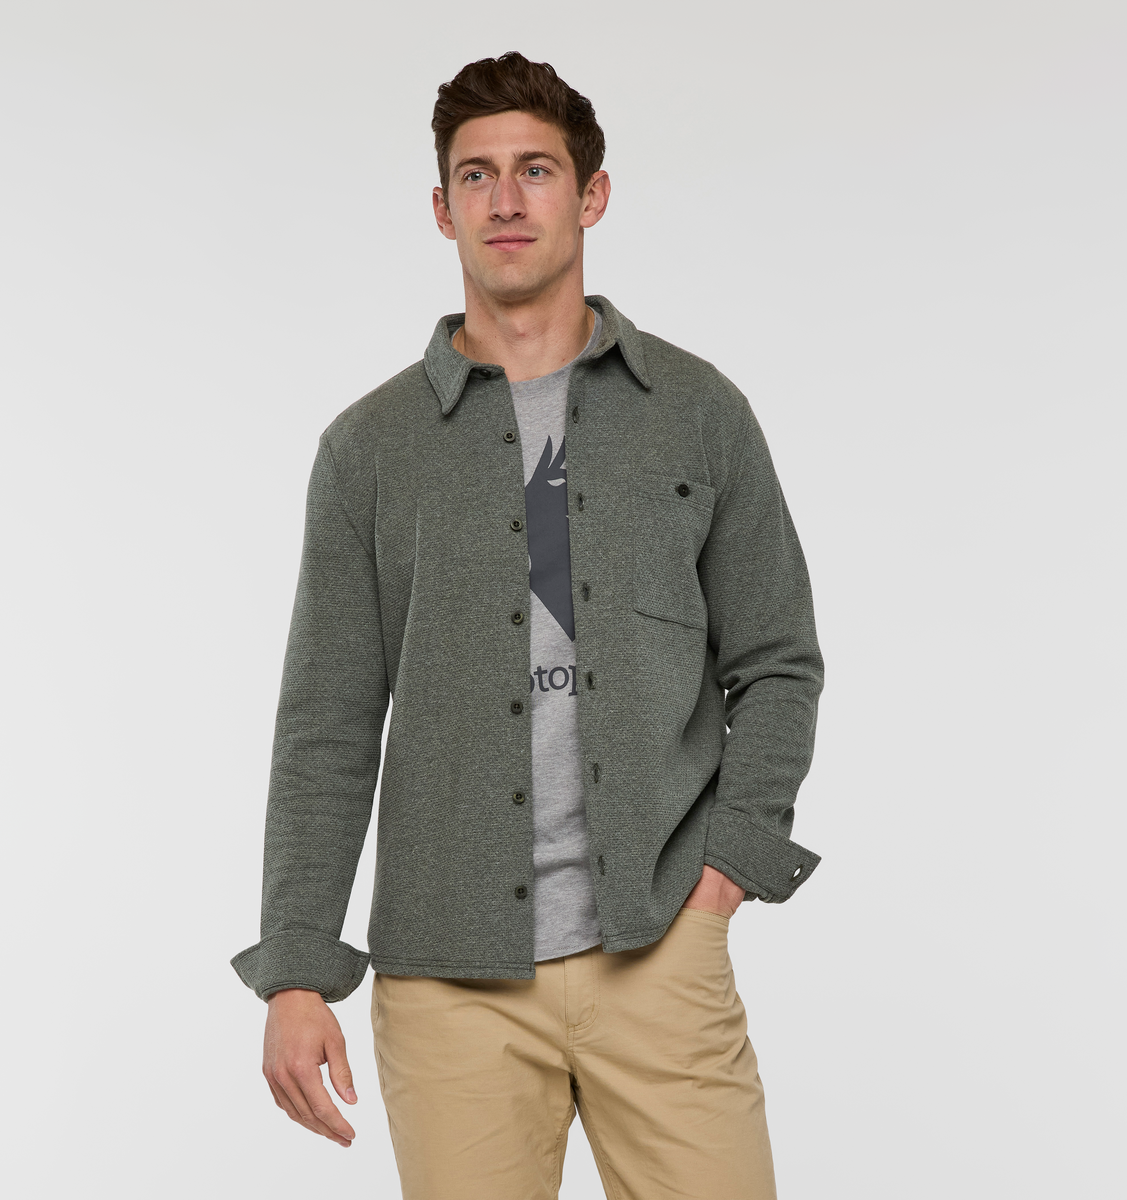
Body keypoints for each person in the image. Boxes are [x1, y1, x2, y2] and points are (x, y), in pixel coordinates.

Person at [231, 50, 824, 1200]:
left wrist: (726, 875)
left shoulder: (698, 414)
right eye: (478, 175)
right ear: (441, 206)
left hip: (659, 949)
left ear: (591, 195)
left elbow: (777, 662)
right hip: (449, 990)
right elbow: (326, 726)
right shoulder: (368, 451)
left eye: (536, 170)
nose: (506, 200)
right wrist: (297, 971)